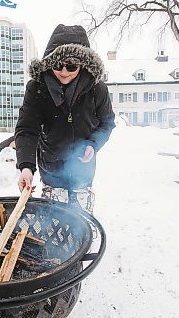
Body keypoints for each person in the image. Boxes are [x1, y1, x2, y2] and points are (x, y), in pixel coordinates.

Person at [15, 24, 115, 214]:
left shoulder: (97, 89)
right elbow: (27, 129)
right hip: (51, 169)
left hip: (82, 171)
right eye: (57, 65)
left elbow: (107, 123)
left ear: (83, 65)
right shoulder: (37, 88)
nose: (63, 71)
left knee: (82, 223)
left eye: (71, 66)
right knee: (53, 222)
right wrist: (26, 167)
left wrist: (93, 145)